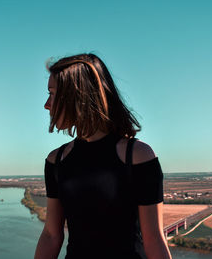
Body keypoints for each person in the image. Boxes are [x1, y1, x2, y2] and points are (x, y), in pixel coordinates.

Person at [34, 53, 172, 259]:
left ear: (76, 96)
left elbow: (153, 239)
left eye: (53, 94)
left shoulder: (137, 156)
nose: (47, 104)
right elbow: (51, 236)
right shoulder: (56, 161)